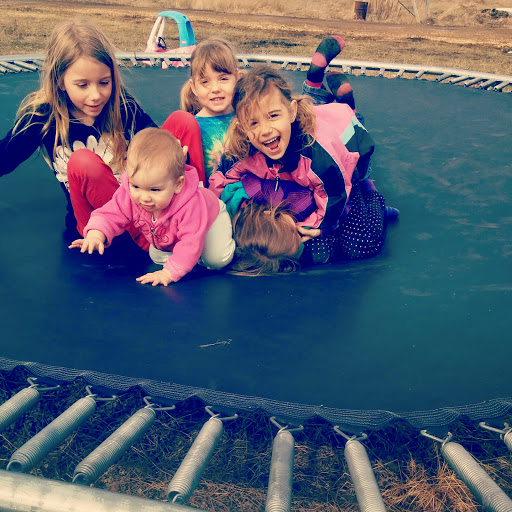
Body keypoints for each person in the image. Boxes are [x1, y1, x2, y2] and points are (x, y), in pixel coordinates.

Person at [0, 17, 201, 251]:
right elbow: (4, 157)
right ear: (60, 81)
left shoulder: (120, 103)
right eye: (82, 85)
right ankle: (152, 242)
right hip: (96, 224)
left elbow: (151, 135)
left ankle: (197, 213)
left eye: (104, 82)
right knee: (83, 161)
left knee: (182, 122)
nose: (95, 95)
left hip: (138, 205)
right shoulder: (42, 117)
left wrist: (173, 152)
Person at [209, 64, 395, 275]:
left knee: (359, 177)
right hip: (310, 146)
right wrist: (219, 208)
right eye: (253, 123)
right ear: (242, 127)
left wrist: (315, 225)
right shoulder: (243, 149)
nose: (265, 130)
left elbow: (335, 196)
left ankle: (348, 108)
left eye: (273, 116)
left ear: (291, 112)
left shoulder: (317, 154)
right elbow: (221, 177)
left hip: (350, 141)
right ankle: (320, 94)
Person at [69, 128, 235, 285]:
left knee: (216, 260)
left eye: (155, 190)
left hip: (211, 218)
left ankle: (213, 247)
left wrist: (169, 273)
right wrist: (96, 234)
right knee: (157, 256)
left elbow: (190, 241)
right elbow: (110, 214)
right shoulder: (130, 193)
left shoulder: (190, 205)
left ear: (178, 184)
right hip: (169, 234)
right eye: (136, 186)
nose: (144, 198)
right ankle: (188, 257)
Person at [177, 38, 242, 182]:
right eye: (205, 82)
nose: (215, 89)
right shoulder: (192, 128)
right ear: (194, 87)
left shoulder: (247, 118)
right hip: (206, 195)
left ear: (237, 78)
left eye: (223, 79)